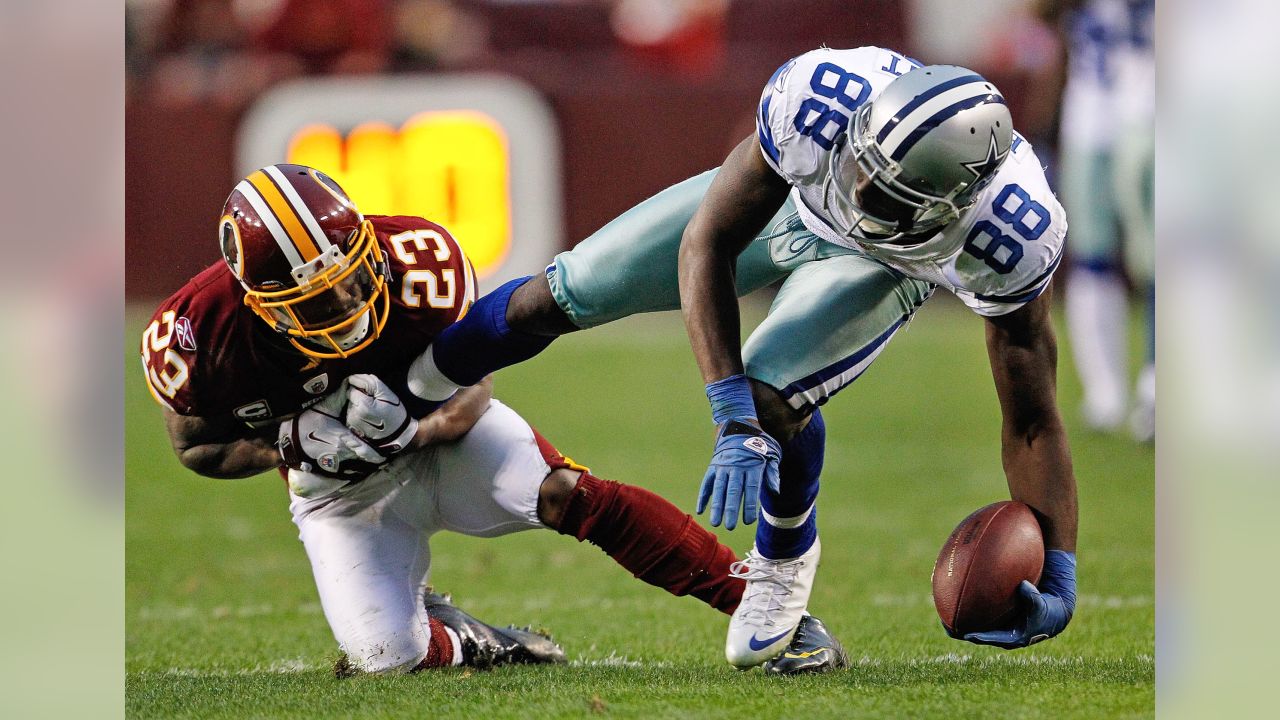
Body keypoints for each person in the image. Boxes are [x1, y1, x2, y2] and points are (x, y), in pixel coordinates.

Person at [404, 47, 1081, 668]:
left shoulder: (1011, 232)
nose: (859, 191)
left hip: (882, 266)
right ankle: (407, 382)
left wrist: (1058, 567)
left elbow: (1031, 417)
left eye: (888, 192)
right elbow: (709, 243)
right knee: (563, 290)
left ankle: (782, 561)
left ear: (953, 203)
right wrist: (724, 410)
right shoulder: (820, 101)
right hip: (785, 207)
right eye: (862, 166)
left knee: (769, 396)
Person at [140, 164, 846, 675]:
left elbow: (471, 382)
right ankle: (477, 641)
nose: (351, 302)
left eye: (355, 276)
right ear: (260, 302)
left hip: (446, 439)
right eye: (319, 302)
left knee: (566, 493)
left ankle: (768, 609)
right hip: (338, 494)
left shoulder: (417, 262)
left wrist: (428, 424)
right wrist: (286, 448)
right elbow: (195, 448)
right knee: (386, 658)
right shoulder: (200, 335)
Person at [1039, 0, 1155, 440]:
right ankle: (1105, 393)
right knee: (1090, 255)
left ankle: (1155, 384)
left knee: (1160, 257)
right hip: (1090, 114)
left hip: (1147, 109)